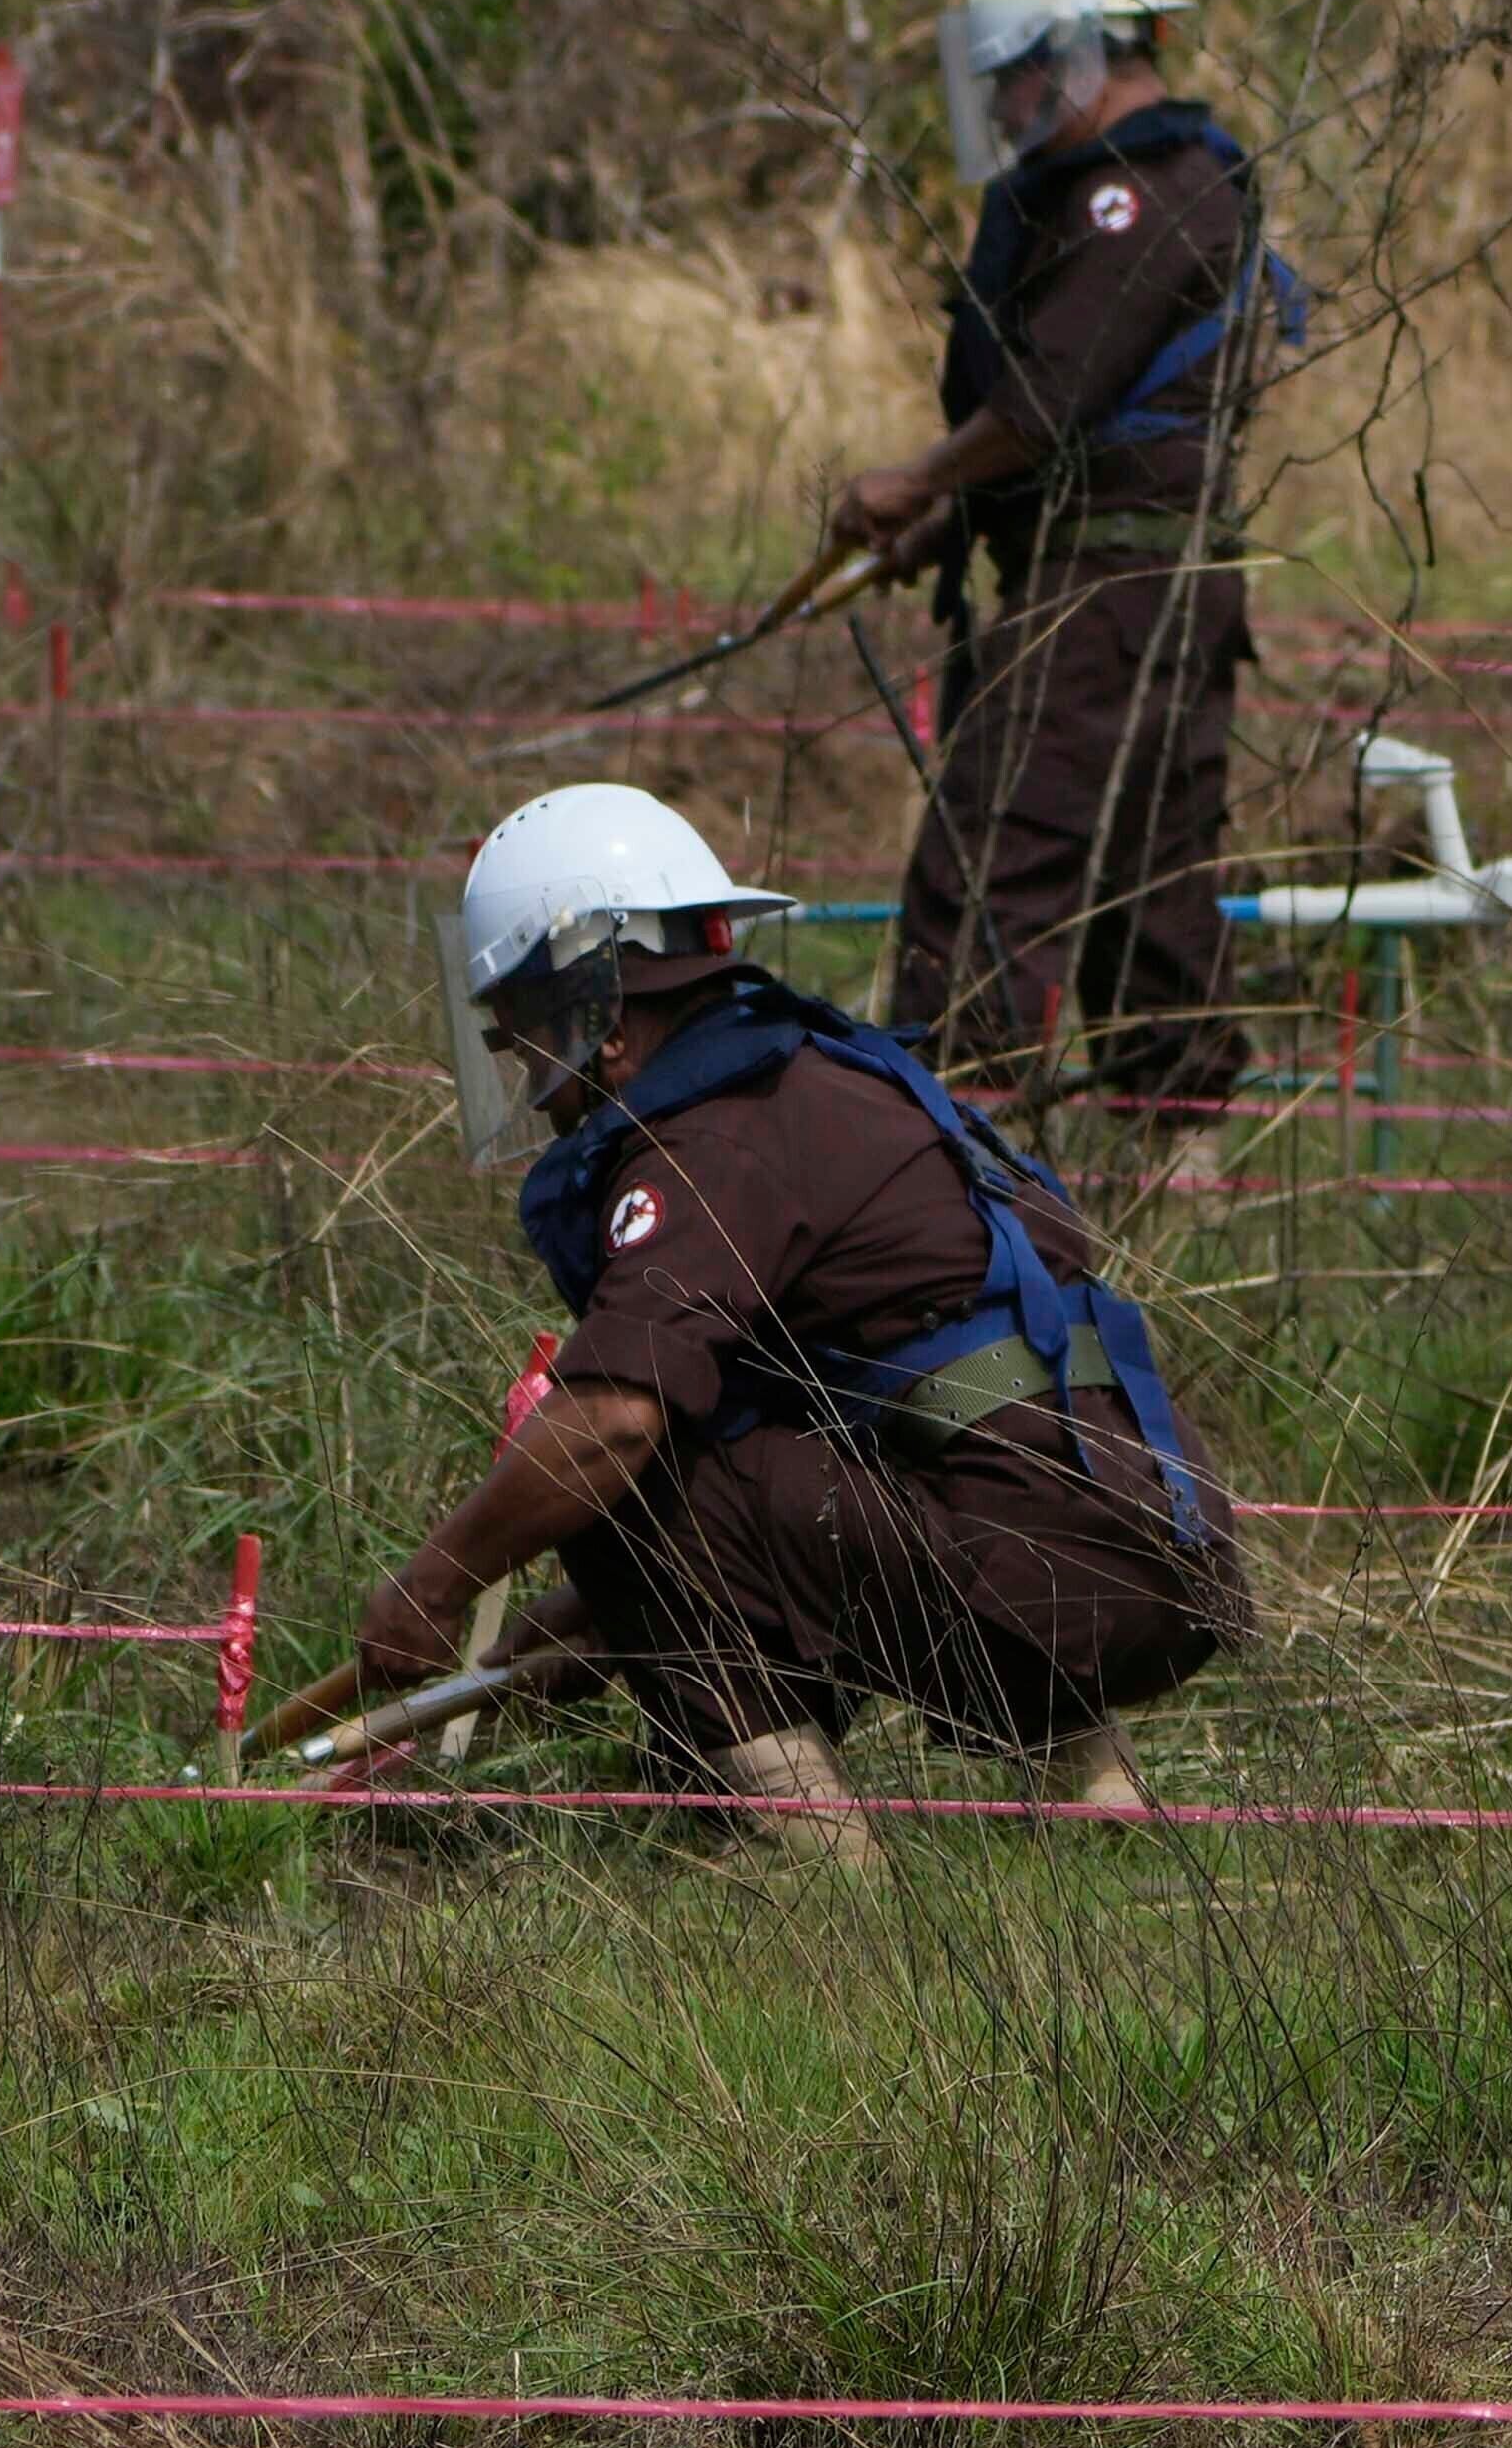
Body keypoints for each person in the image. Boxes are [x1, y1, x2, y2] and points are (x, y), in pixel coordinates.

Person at [255, 788, 1244, 1857]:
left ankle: (826, 1877)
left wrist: (432, 1585)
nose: (539, 1093)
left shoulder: (710, 1140)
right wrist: (594, 1622)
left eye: (531, 1042)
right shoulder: (824, 1079)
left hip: (1039, 1567)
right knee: (690, 1491)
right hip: (1153, 1558)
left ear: (601, 1007)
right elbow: (816, 1457)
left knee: (613, 1481)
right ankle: (1099, 1809)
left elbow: (613, 1427)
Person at [827, 0, 1294, 1139]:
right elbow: (1069, 424)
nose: (1000, 105)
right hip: (1123, 578)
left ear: (1076, 56)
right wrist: (948, 519)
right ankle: (1171, 1158)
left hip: (1107, 585)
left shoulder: (1145, 193)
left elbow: (1045, 401)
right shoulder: (1119, 189)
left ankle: (950, 1159)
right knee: (1151, 869)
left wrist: (914, 477)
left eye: (1012, 77)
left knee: (986, 865)